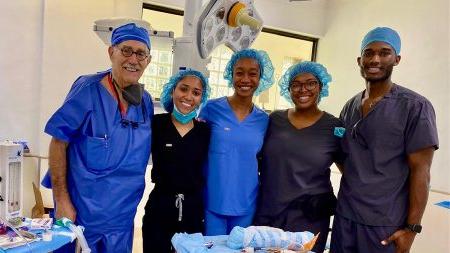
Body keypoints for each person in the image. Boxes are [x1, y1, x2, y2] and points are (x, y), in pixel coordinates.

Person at [44, 23, 153, 252]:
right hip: (82, 217)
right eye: (126, 50)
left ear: (148, 61)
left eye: (141, 53)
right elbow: (58, 142)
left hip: (122, 220)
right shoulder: (88, 89)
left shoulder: (145, 103)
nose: (133, 59)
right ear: (111, 52)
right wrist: (62, 200)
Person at [330, 27, 439, 253]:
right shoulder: (349, 107)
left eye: (384, 52)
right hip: (346, 217)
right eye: (369, 53)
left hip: (384, 223)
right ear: (360, 60)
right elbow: (341, 154)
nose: (375, 59)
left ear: (397, 59)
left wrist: (412, 229)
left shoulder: (415, 107)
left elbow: (421, 171)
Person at [254, 61, 343, 253]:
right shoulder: (274, 120)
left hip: (309, 218)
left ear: (321, 86)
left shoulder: (334, 127)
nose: (303, 89)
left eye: (310, 83)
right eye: (296, 84)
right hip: (269, 212)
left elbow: (351, 173)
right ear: (289, 89)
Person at [200, 48, 274, 236]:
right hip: (212, 200)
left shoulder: (263, 120)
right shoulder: (211, 109)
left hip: (246, 202)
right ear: (231, 75)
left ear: (260, 78)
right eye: (239, 73)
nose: (245, 79)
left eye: (253, 74)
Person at [141, 69, 211, 252]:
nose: (188, 96)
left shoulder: (205, 132)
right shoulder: (156, 124)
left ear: (201, 99)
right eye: (183, 89)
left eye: (196, 93)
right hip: (160, 206)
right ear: (172, 91)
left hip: (193, 210)